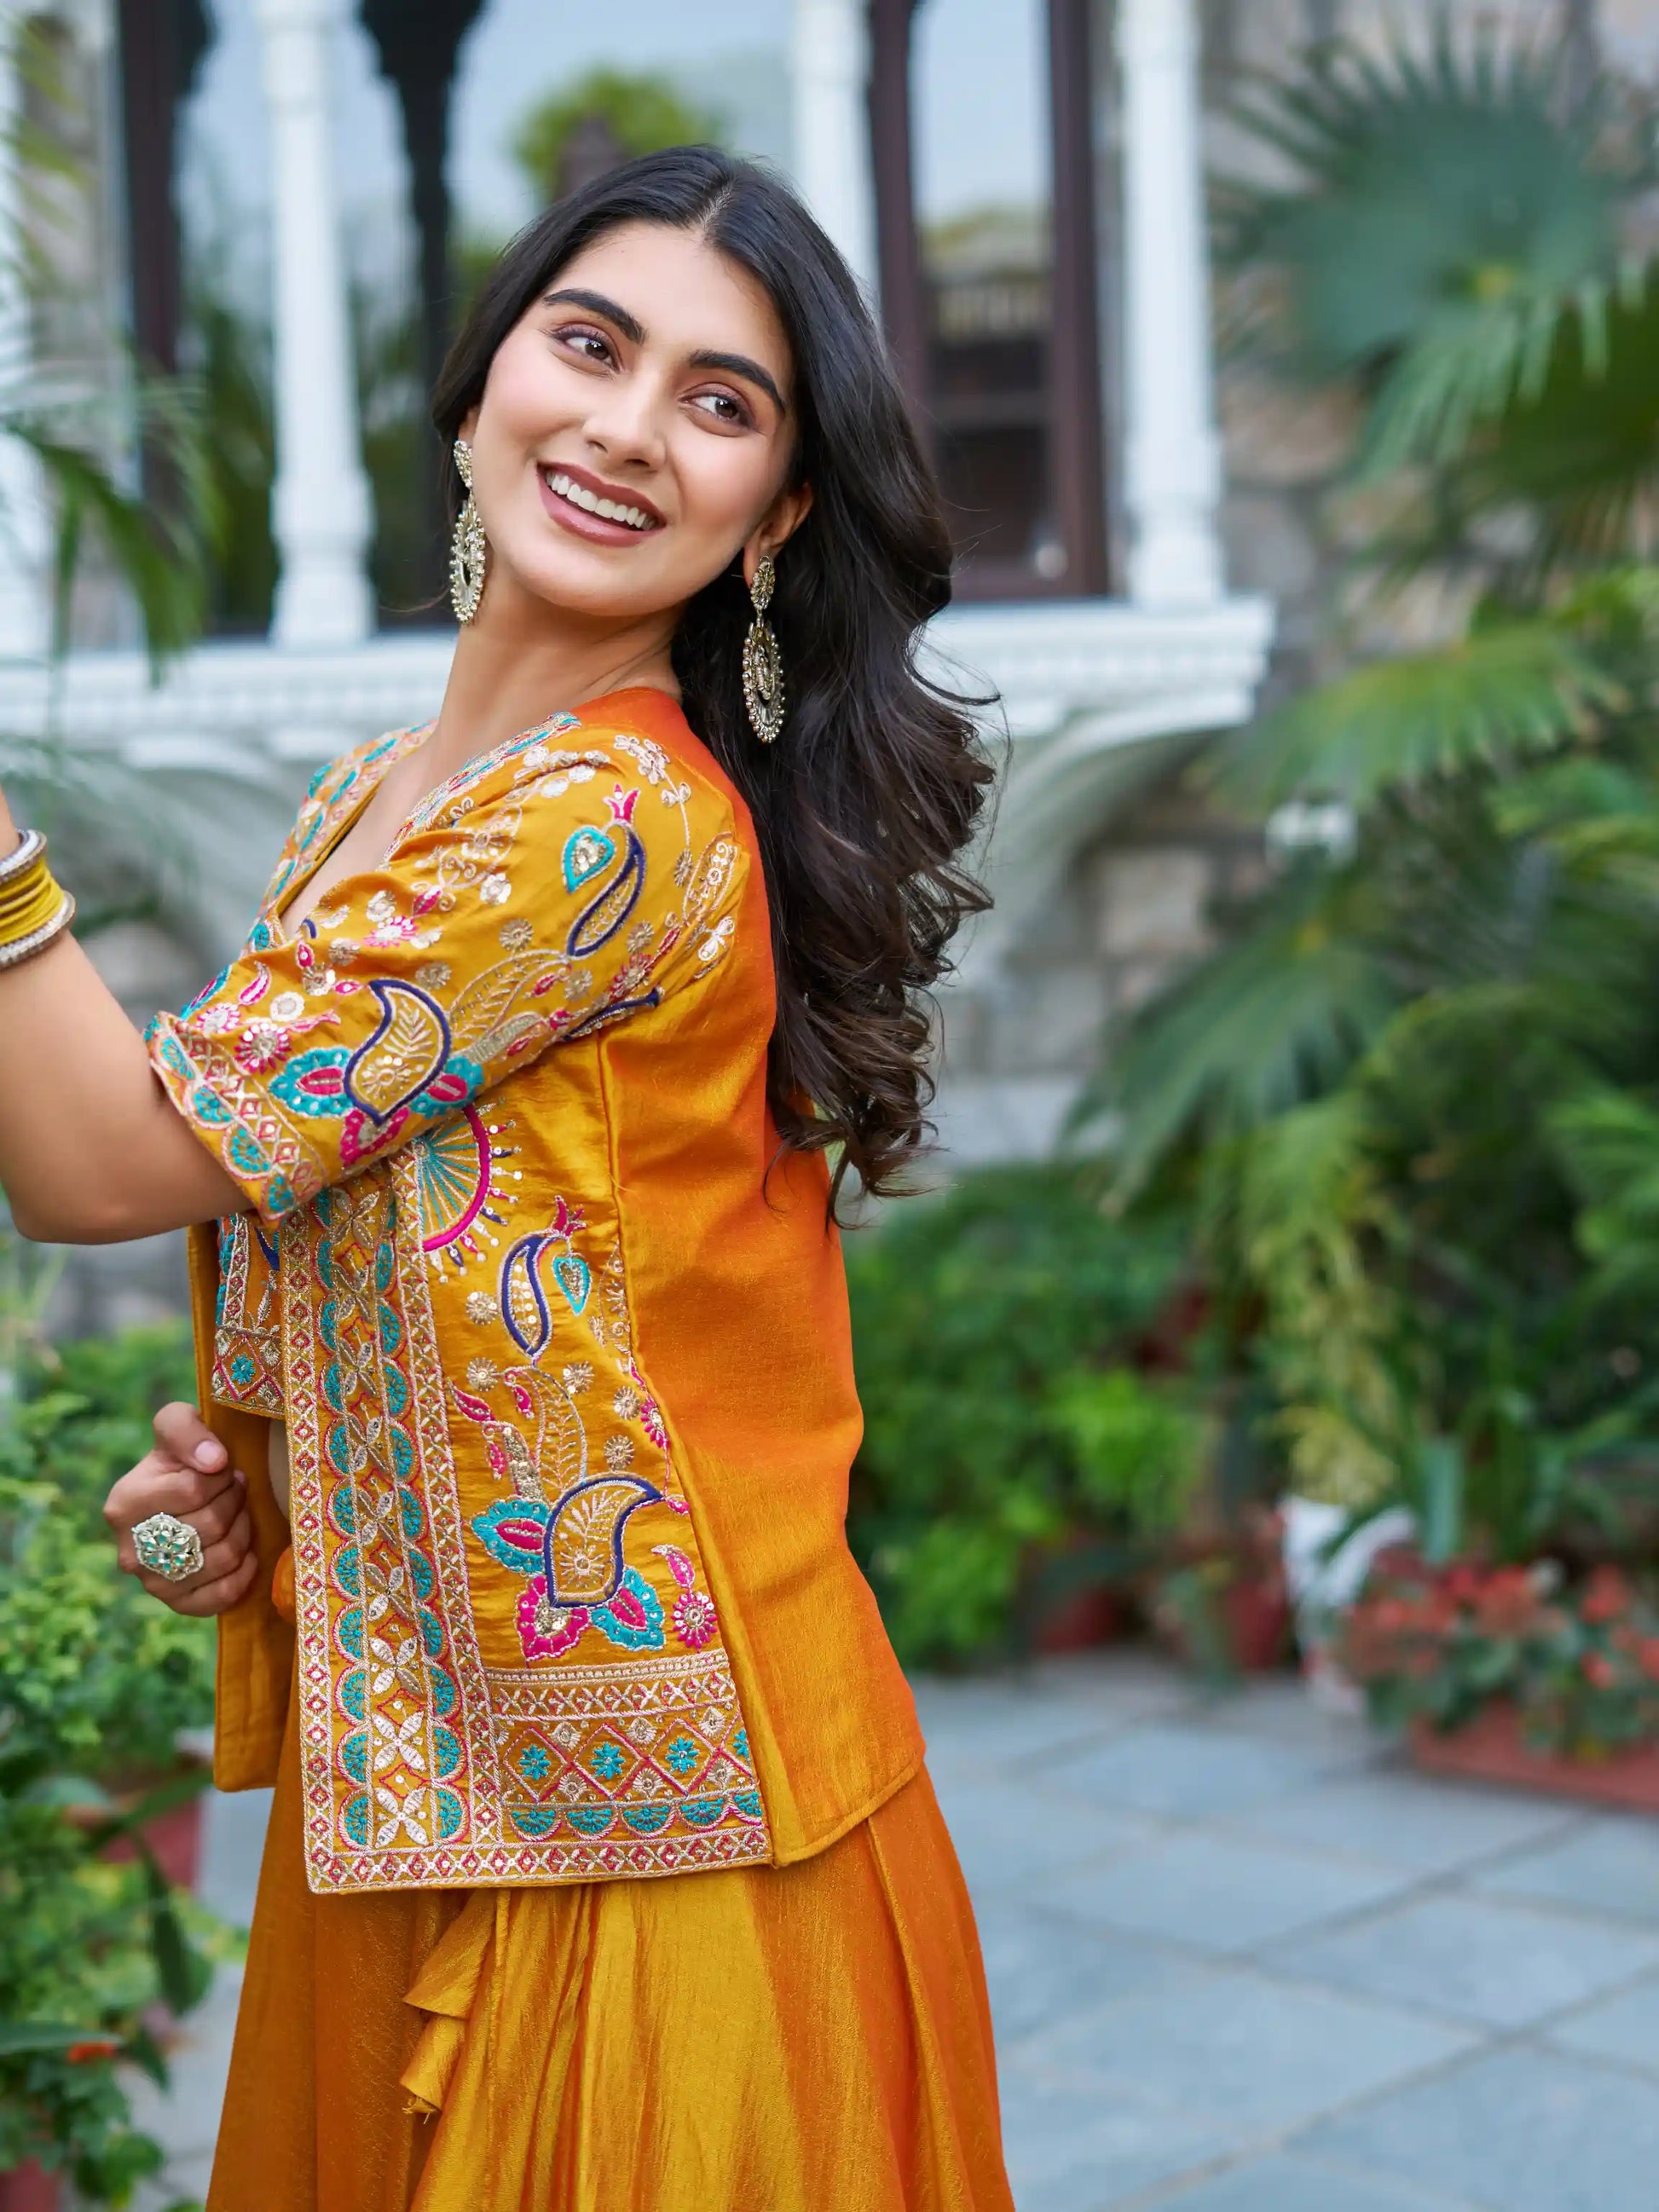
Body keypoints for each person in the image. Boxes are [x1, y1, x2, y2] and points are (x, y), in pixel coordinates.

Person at [0, 147, 1011, 2210]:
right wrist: (263, 1510)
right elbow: (372, 1230)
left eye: (722, 404)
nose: (631, 427)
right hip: (437, 1784)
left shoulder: (603, 829)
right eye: (592, 343)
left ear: (776, 514)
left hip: (656, 1863)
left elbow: (100, 1158)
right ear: (481, 388)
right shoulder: (370, 799)